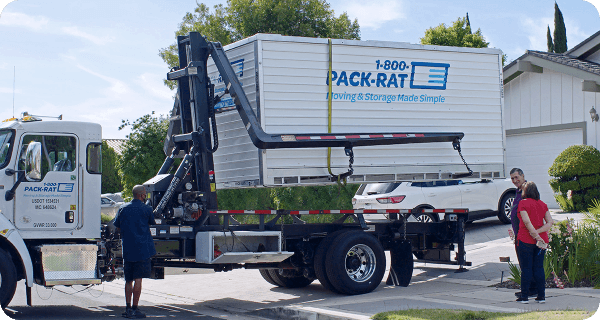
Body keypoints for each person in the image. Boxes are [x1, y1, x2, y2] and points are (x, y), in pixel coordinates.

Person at [114, 185, 156, 318]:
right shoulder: (147, 209)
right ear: (141, 195)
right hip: (143, 249)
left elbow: (118, 227)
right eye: (144, 193)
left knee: (128, 280)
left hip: (128, 249)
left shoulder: (123, 208)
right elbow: (152, 224)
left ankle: (127, 309)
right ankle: (135, 308)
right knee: (138, 279)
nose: (145, 195)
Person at [515, 181, 553, 304]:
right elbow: (549, 223)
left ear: (525, 192)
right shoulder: (543, 204)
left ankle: (524, 297)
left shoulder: (523, 203)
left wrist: (535, 235)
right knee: (539, 268)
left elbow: (526, 222)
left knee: (526, 269)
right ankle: (541, 296)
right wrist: (539, 234)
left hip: (526, 239)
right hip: (541, 242)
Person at [509, 168, 537, 298]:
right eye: (512, 178)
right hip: (519, 235)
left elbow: (533, 212)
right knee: (523, 264)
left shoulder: (528, 191)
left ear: (523, 176)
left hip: (526, 236)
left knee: (527, 265)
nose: (515, 180)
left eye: (516, 177)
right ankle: (530, 288)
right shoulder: (518, 192)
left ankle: (531, 290)